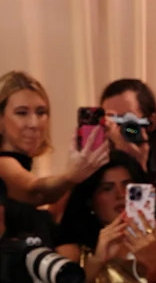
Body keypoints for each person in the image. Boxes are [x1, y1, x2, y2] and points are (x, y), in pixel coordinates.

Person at [54, 150, 156, 283]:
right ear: (90, 201)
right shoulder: (71, 253)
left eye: (128, 187)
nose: (120, 195)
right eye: (107, 189)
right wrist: (97, 261)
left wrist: (153, 261)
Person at [0, 70, 108, 232]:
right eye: (22, 113)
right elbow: (35, 191)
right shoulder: (3, 163)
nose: (34, 123)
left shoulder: (23, 166)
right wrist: (70, 176)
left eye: (41, 112)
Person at [100, 77, 156, 204]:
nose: (118, 129)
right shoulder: (98, 163)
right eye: (112, 121)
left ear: (151, 122)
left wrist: (138, 167)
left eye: (127, 120)